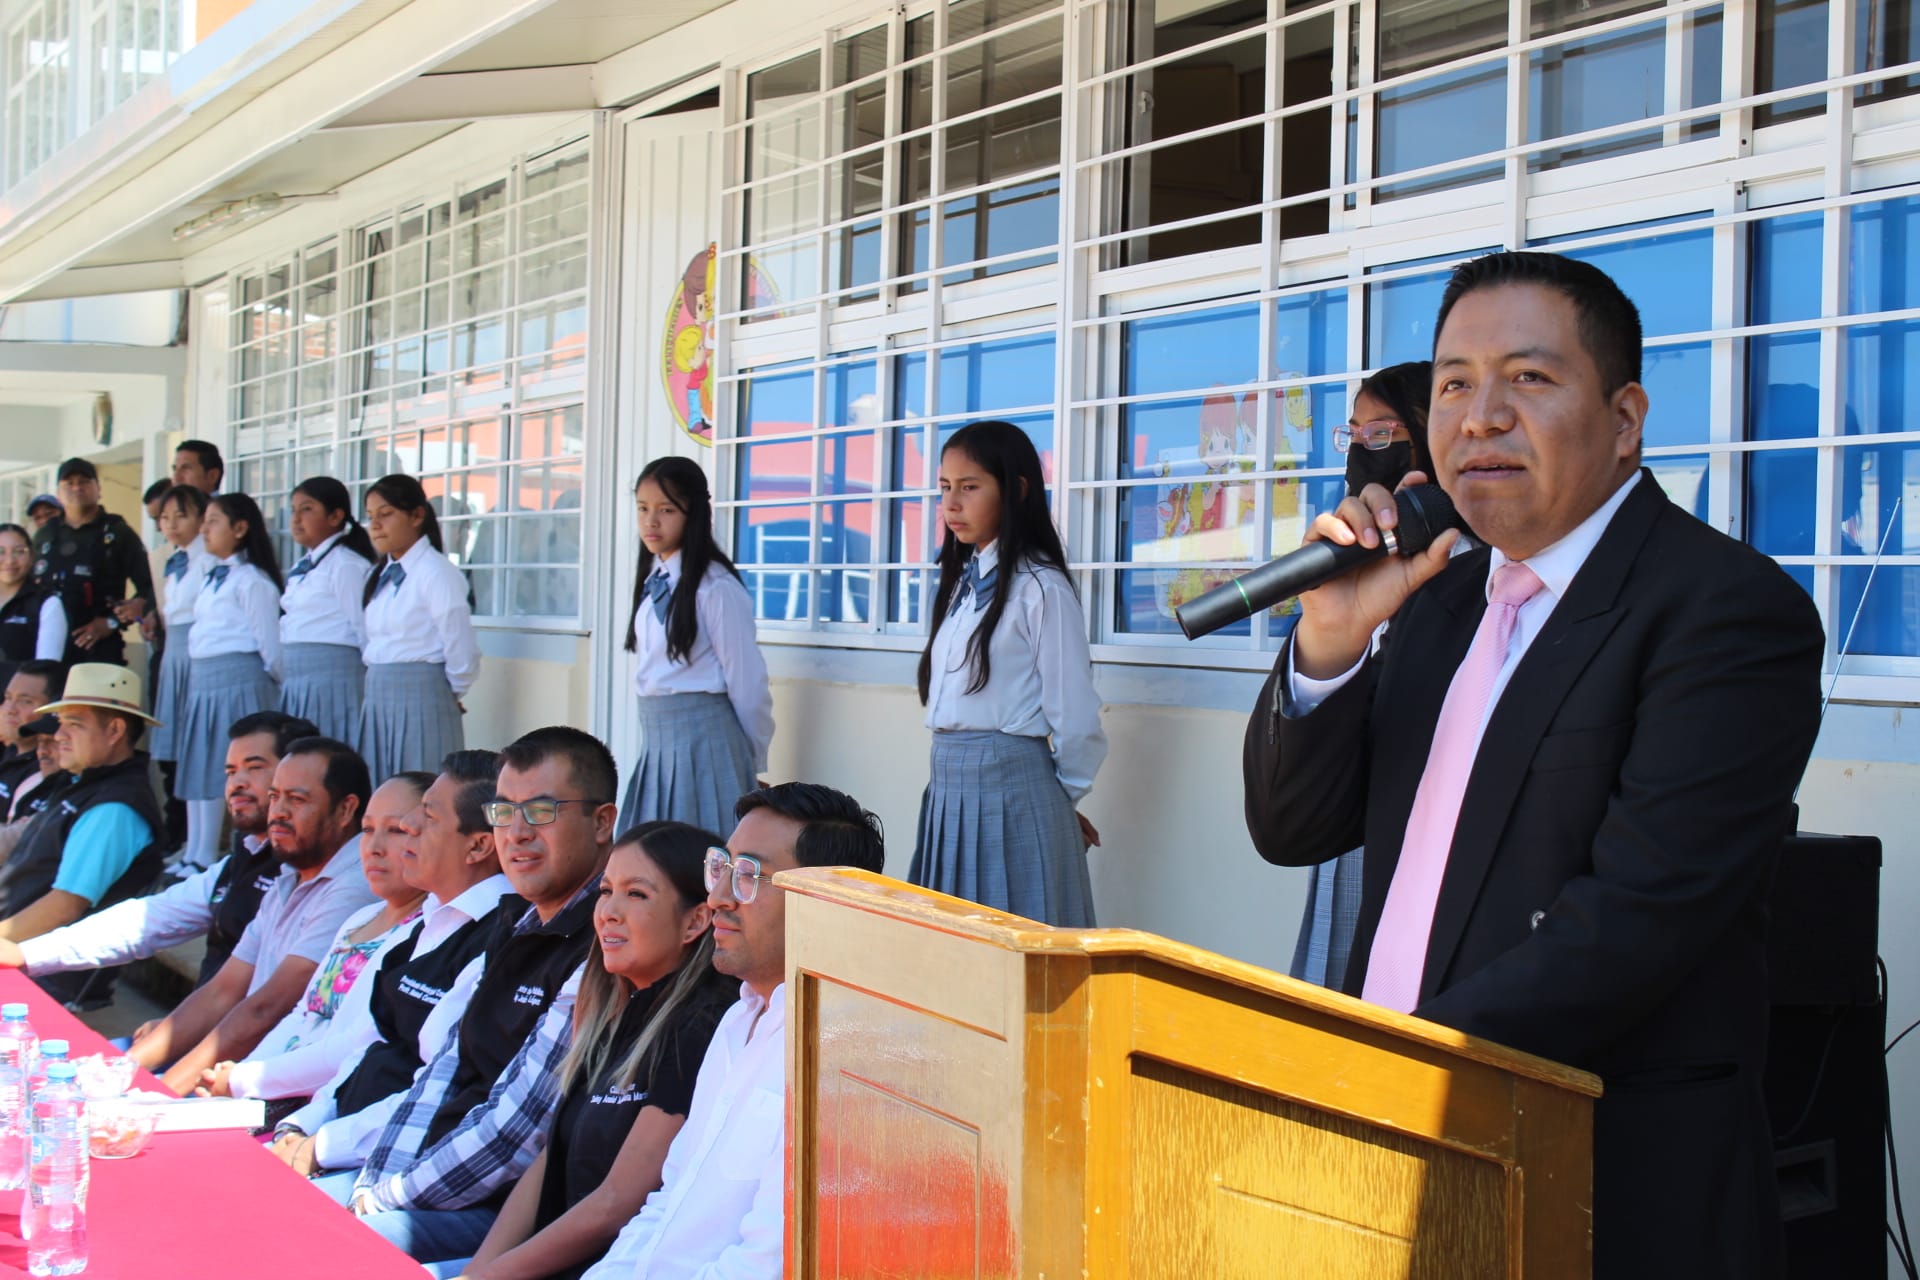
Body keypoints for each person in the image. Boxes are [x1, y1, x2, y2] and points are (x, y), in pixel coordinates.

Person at [1242, 251, 1825, 1280]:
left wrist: (1383, 1069)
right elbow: (1293, 828)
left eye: (1530, 377)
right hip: (1402, 1156)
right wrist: (1330, 640)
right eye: (1456, 382)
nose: (1480, 415)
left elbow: (1634, 919)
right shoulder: (1438, 599)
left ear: (1626, 416)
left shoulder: (1722, 609)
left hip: (1600, 1181)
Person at [584, 782, 886, 1280]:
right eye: (720, 868)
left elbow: (766, 1263)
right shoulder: (738, 1020)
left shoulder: (843, 1054)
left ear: (827, 900)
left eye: (748, 875)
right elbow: (667, 1204)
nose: (719, 897)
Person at [337, 728, 617, 1265]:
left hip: (499, 1212)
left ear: (602, 822)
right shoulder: (515, 921)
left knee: (324, 1244)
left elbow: (515, 1127)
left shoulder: (602, 941)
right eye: (504, 812)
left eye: (540, 811)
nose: (516, 833)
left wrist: (386, 1198)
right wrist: (374, 1186)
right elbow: (443, 1070)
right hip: (420, 1182)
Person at [417, 821, 736, 1280]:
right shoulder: (612, 1011)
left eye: (637, 894)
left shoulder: (699, 1027)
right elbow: (549, 1161)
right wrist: (480, 1270)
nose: (608, 911)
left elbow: (615, 1203)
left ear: (695, 921)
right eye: (606, 891)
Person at [262, 753, 510, 1170]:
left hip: (390, 1165)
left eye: (426, 818)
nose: (410, 829)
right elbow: (366, 1048)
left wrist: (320, 1147)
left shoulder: (498, 939)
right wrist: (301, 1126)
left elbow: (438, 1086)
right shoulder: (427, 923)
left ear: (479, 845)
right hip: (334, 1137)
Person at [907, 420, 1107, 927]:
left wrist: (1060, 801)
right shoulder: (963, 584)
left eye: (970, 487)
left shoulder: (1040, 588)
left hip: (1013, 787)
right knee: (950, 950)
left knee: (1014, 945)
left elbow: (1077, 718)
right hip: (948, 786)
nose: (952, 504)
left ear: (1015, 490)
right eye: (945, 488)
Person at [1289, 361, 1435, 992]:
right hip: (1352, 820)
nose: (1359, 451)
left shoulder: (1468, 561)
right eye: (1352, 434)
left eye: (1381, 434)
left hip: (1424, 830)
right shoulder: (1354, 555)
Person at [130, 737, 377, 1096]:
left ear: (345, 810)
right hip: (241, 1074)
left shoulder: (354, 885)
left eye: (297, 799)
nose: (277, 812)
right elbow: (222, 991)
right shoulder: (290, 874)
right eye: (275, 796)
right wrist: (124, 1070)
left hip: (282, 1091)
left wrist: (158, 1098)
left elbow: (267, 1008)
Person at [0, 712, 315, 993]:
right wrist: (26, 954)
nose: (237, 783)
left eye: (255, 768)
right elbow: (149, 919)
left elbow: (262, 1003)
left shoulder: (318, 873)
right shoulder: (243, 858)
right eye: (231, 771)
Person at [197, 772, 430, 1123]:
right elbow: (301, 1016)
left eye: (396, 830)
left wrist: (245, 1081)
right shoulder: (360, 919)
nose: (375, 846)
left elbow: (354, 1046)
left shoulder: (424, 934)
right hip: (269, 1091)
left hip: (319, 1115)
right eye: (367, 830)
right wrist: (245, 1075)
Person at [619, 457, 774, 836]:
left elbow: (748, 682)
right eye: (643, 508)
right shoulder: (655, 580)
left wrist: (747, 759)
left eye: (666, 509)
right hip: (657, 741)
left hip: (707, 745)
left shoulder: (715, 587)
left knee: (702, 858)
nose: (651, 521)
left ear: (693, 513)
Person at [0, 665, 166, 945]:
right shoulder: (84, 784)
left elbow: (64, 906)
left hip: (39, 976)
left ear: (115, 730)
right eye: (61, 722)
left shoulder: (115, 807)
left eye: (74, 724)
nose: (59, 735)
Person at [176, 492, 284, 872]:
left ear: (240, 529)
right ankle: (197, 851)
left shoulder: (253, 581)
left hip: (238, 680)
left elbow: (270, 644)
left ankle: (227, 854)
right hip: (205, 679)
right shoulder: (212, 578)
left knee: (239, 766)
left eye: (214, 521)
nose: (204, 529)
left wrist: (269, 684)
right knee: (203, 761)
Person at [356, 475, 479, 782]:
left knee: (419, 786)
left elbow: (459, 643)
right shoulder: (381, 574)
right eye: (371, 517)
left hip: (422, 693)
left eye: (386, 515)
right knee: (382, 789)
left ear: (417, 516)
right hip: (379, 691)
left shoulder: (436, 572)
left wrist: (446, 690)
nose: (375, 525)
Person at [144, 485, 214, 853]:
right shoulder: (175, 560)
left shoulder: (207, 561)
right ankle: (185, 842)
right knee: (178, 753)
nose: (170, 524)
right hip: (173, 650)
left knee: (197, 748)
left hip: (194, 651)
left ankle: (197, 843)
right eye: (164, 517)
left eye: (180, 515)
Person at [32, 457, 154, 667]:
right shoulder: (45, 534)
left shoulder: (117, 532)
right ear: (59, 493)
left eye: (84, 481)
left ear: (98, 489)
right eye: (69, 483)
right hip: (47, 646)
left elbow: (150, 588)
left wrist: (111, 622)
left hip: (98, 649)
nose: (77, 487)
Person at [280, 477, 376, 743]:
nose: (296, 518)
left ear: (335, 516)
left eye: (307, 509)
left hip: (333, 681)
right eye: (293, 510)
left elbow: (363, 627)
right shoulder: (306, 564)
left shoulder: (346, 565)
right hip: (300, 681)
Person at [0, 715, 71, 857]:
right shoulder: (31, 783)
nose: (42, 751)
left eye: (53, 741)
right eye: (40, 741)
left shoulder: (88, 789)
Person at [0, 523, 67, 665]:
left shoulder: (47, 603)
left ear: (31, 557)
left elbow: (45, 669)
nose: (10, 560)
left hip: (21, 687)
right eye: (1, 551)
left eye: (19, 551)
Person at [0, 661, 62, 812]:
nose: (10, 709)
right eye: (8, 698)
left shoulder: (51, 765)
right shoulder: (9, 749)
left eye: (26, 701)